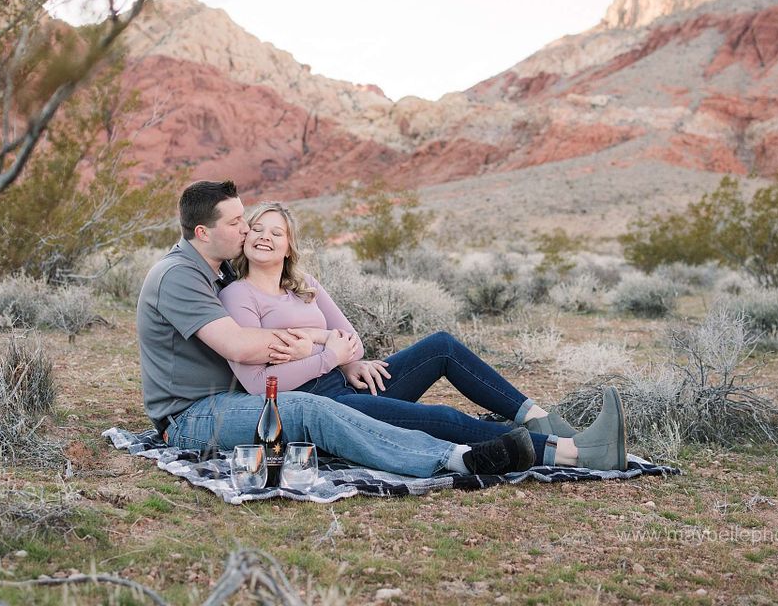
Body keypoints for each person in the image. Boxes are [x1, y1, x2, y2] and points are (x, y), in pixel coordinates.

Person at [137, 180, 539, 480]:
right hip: (194, 415)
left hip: (260, 393)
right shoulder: (181, 275)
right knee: (313, 409)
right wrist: (323, 346)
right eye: (241, 223)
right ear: (204, 233)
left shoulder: (220, 270)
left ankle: (539, 424)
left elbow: (343, 338)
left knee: (438, 349)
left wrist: (343, 358)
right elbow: (240, 346)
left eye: (261, 227)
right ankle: (458, 459)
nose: (249, 231)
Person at [217, 201, 628, 471]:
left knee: (442, 347)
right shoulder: (239, 295)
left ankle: (538, 419)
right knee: (441, 418)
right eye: (256, 228)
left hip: (349, 380)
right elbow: (258, 384)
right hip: (322, 405)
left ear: (289, 246)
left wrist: (330, 347)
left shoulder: (303, 283)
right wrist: (326, 355)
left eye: (276, 231)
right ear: (245, 238)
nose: (264, 236)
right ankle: (575, 453)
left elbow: (351, 340)